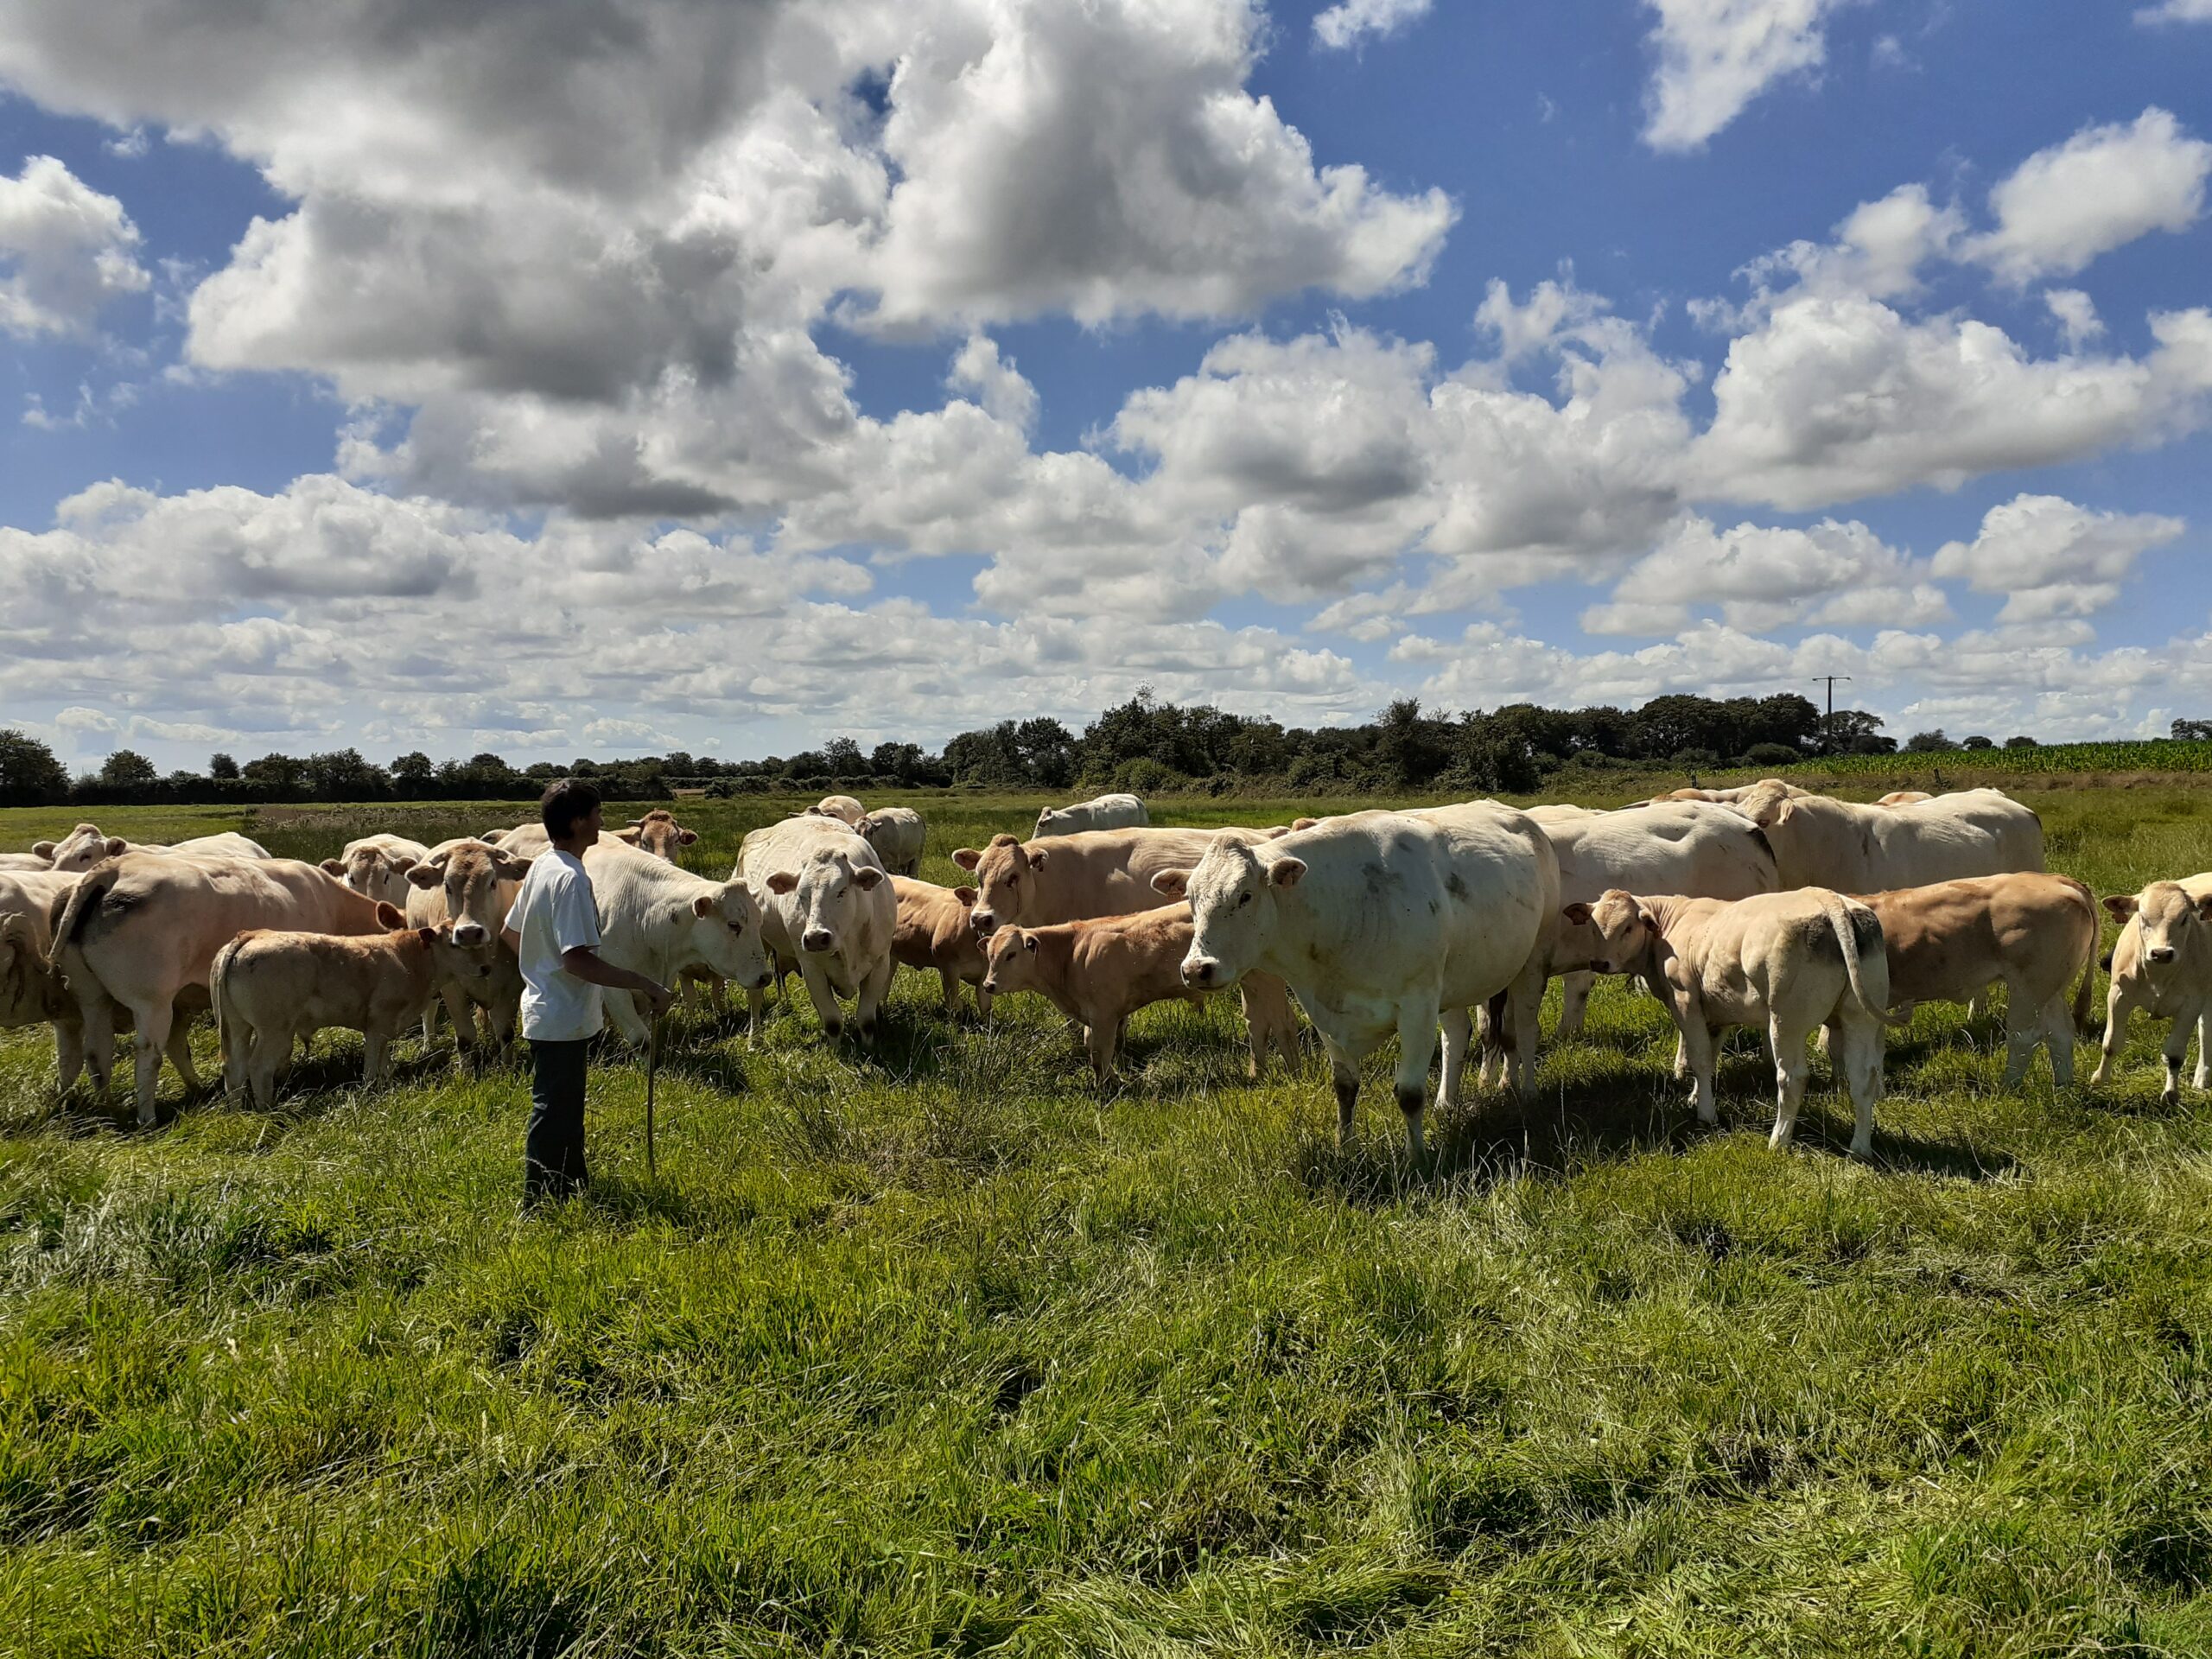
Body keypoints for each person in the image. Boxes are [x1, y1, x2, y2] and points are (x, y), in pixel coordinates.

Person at [501, 778, 674, 1206]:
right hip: (561, 1015)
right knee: (553, 1110)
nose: (602, 821)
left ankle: (572, 1186)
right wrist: (644, 983)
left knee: (565, 1108)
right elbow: (577, 959)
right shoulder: (572, 879)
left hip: (550, 1008)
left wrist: (538, 972)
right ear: (578, 821)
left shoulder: (544, 864)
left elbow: (509, 932)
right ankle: (537, 1201)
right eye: (597, 813)